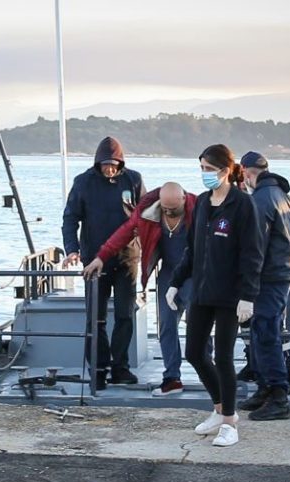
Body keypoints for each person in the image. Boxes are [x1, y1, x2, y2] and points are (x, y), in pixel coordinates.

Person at [168, 144, 263, 446]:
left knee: (223, 357)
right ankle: (219, 409)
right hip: (203, 291)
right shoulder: (203, 204)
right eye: (201, 169)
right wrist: (175, 281)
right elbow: (192, 249)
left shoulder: (242, 205)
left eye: (209, 169)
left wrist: (247, 296)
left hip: (230, 296)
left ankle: (230, 422)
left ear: (225, 171)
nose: (204, 175)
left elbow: (252, 254)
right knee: (194, 352)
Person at [83, 182, 199, 396]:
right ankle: (172, 377)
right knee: (166, 325)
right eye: (165, 209)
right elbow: (123, 233)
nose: (169, 213)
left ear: (184, 199)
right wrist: (100, 257)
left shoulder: (200, 209)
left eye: (173, 209)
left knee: (199, 326)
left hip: (196, 274)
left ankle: (210, 373)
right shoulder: (148, 213)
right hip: (169, 274)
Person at [62, 137, 146, 390]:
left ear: (121, 163)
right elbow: (70, 218)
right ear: (97, 163)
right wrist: (72, 250)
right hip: (94, 260)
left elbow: (145, 216)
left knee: (124, 316)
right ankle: (98, 369)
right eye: (105, 164)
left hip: (128, 259)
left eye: (113, 164)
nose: (109, 169)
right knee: (95, 320)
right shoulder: (83, 182)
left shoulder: (133, 179)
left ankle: (120, 367)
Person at [236, 151, 290, 420]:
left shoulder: (260, 200)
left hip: (267, 277)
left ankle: (278, 396)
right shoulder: (285, 198)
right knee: (264, 333)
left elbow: (255, 247)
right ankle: (264, 388)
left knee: (266, 334)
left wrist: (246, 286)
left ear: (247, 172)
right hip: (282, 273)